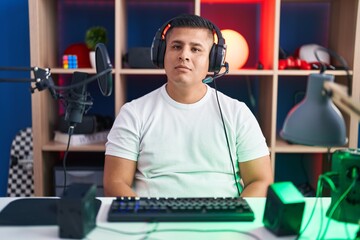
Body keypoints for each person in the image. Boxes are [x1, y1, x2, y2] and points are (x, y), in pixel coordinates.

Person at [104, 14, 273, 198]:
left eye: (195, 49)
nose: (184, 55)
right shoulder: (133, 113)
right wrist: (148, 216)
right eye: (176, 46)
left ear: (213, 60)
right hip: (152, 220)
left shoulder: (237, 113)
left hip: (222, 220)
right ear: (161, 54)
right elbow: (115, 183)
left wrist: (234, 215)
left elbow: (261, 180)